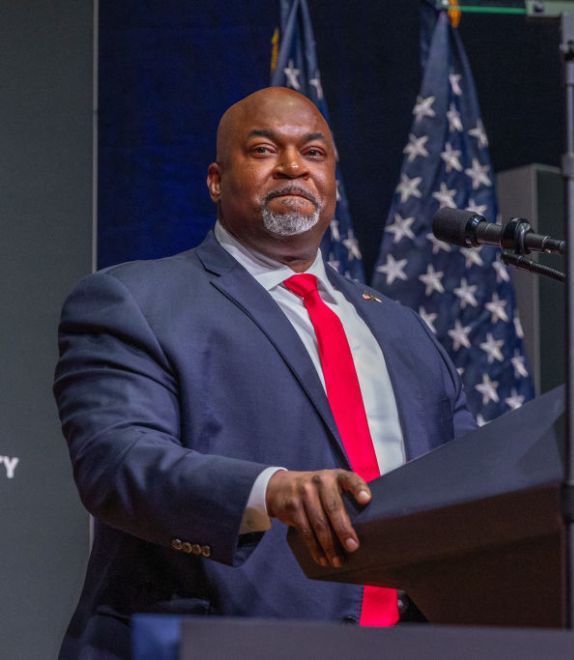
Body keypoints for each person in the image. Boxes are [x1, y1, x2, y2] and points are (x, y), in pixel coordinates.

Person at [54, 87, 475, 658]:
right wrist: (269, 490)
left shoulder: (406, 332)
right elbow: (119, 462)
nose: (293, 166)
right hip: (208, 642)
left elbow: (470, 479)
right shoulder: (136, 300)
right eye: (262, 149)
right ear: (216, 180)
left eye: (314, 152)